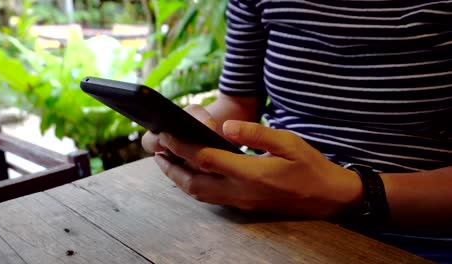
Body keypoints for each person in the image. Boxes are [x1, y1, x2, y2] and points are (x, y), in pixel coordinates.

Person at [142, 0, 452, 262]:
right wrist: (190, 130)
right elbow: (236, 102)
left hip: (415, 235)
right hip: (269, 213)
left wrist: (350, 192)